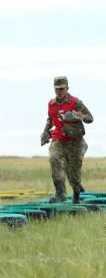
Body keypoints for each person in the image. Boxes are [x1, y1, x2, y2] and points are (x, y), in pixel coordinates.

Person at [41, 76, 93, 204]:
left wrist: (80, 115)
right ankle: (60, 193)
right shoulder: (51, 104)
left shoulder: (76, 102)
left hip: (75, 142)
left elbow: (90, 118)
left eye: (62, 89)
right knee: (54, 159)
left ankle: (77, 192)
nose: (59, 91)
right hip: (58, 139)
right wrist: (46, 131)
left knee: (73, 174)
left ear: (67, 88)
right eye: (57, 89)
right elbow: (50, 120)